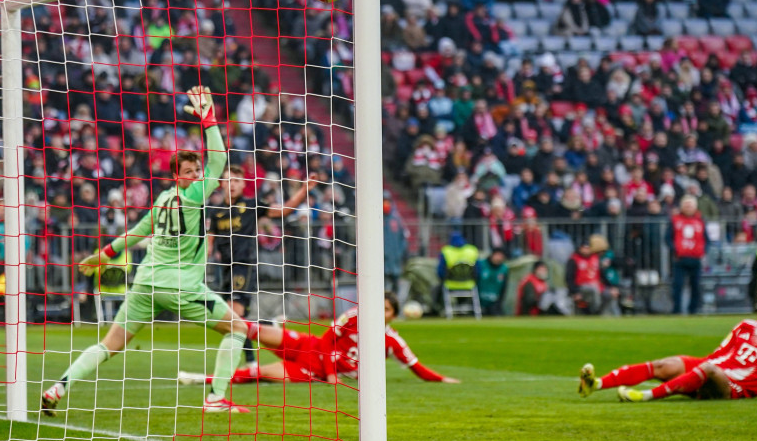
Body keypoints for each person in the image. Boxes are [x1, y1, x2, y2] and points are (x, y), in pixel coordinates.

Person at [41, 87, 251, 415]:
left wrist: (105, 253)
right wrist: (208, 118)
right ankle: (215, 398)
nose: (197, 175)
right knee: (238, 328)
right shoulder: (194, 196)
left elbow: (138, 232)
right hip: (180, 286)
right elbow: (221, 159)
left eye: (198, 170)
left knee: (109, 344)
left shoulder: (163, 199)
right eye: (190, 172)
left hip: (145, 284)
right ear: (176, 176)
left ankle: (58, 387)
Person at [178, 294, 459, 385]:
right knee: (255, 330)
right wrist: (331, 373)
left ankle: (198, 378)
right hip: (310, 347)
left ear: (393, 316)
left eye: (386, 309)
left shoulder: (392, 342)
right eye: (379, 305)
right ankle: (204, 314)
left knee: (257, 374)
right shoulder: (354, 316)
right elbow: (326, 340)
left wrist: (443, 380)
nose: (379, 311)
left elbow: (416, 366)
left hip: (309, 370)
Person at [578, 290, 757, 401]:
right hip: (711, 368)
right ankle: (595, 384)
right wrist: (690, 367)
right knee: (666, 364)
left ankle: (645, 396)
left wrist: (705, 370)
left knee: (708, 370)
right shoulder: (745, 326)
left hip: (733, 388)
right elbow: (719, 354)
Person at [208, 166, 314, 364]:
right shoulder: (216, 212)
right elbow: (209, 241)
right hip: (225, 269)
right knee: (234, 319)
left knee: (234, 314)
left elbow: (284, 210)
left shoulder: (251, 205)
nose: (232, 185)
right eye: (228, 180)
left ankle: (250, 361)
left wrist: (303, 189)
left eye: (236, 181)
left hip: (244, 266)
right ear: (221, 184)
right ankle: (268, 325)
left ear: (243, 184)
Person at [668, 195, 709, 315]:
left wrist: (703, 251)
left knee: (695, 286)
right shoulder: (675, 220)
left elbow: (706, 239)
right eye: (686, 204)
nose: (688, 207)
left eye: (690, 205)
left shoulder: (700, 221)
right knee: (678, 286)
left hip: (695, 258)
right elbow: (668, 238)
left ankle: (693, 310)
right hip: (680, 258)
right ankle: (677, 310)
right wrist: (674, 249)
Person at [437, 231, 479, 313]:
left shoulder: (446, 251)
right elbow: (478, 270)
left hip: (450, 283)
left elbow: (440, 271)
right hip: (470, 283)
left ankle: (439, 309)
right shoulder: (472, 250)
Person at [382, 190, 410, 293]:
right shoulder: (376, 219)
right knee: (382, 287)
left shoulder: (396, 220)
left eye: (387, 201)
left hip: (395, 261)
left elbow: (403, 239)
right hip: (382, 261)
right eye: (383, 201)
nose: (386, 204)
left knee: (395, 287)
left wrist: (400, 253)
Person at [476, 248, 509, 315]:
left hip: (494, 303)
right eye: (497, 255)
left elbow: (504, 288)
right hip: (479, 301)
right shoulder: (481, 264)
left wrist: (499, 303)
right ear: (492, 255)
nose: (498, 258)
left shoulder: (504, 269)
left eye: (501, 256)